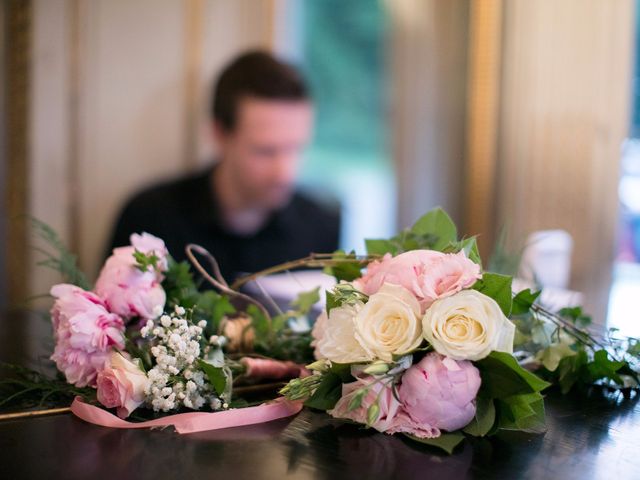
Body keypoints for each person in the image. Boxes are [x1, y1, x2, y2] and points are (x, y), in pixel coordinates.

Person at [107, 50, 340, 282]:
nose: (285, 173)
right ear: (220, 134)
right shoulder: (150, 220)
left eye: (295, 149)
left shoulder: (321, 229)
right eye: (265, 151)